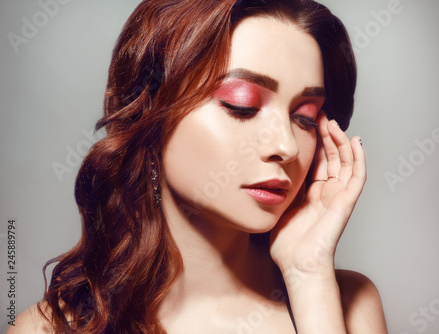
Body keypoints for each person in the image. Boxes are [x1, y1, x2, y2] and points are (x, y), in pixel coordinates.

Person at [10, 0, 387, 333]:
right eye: (242, 106)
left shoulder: (347, 305)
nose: (286, 147)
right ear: (151, 118)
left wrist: (308, 277)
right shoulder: (48, 330)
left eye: (304, 118)